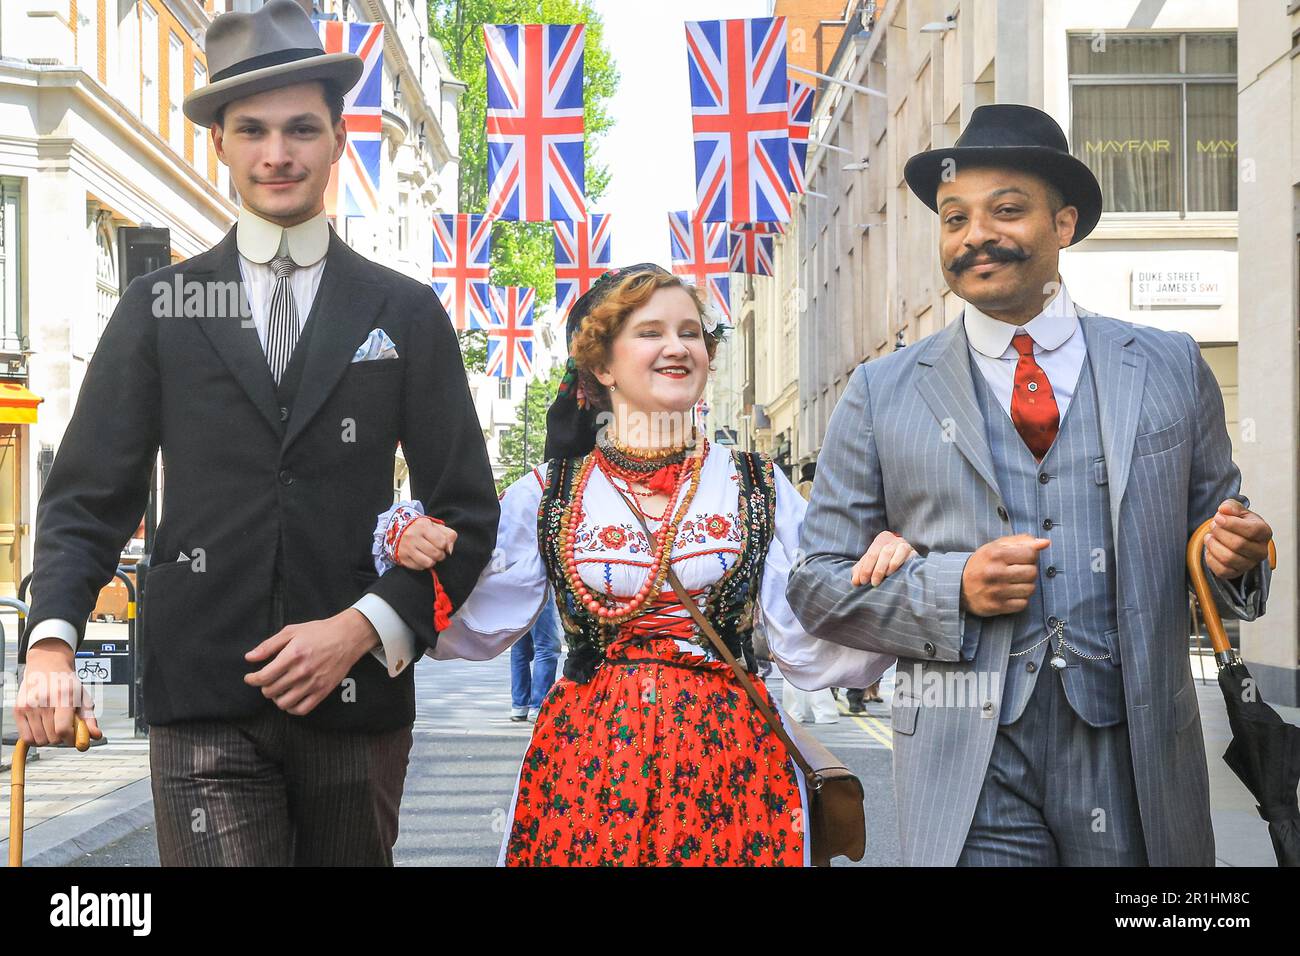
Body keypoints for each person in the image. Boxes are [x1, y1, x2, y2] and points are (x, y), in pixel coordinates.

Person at [12, 0, 499, 866]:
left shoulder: (405, 312)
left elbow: (467, 512)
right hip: (204, 699)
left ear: (339, 141)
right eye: (254, 130)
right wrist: (52, 640)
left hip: (358, 705)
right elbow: (88, 496)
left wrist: (362, 626)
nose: (278, 153)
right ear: (222, 144)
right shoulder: (160, 306)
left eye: (302, 129)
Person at [788, 103, 1274, 866]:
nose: (975, 235)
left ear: (1065, 223)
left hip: (1131, 745)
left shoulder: (1170, 365)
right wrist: (953, 588)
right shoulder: (882, 392)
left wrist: (1233, 555)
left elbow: (1216, 539)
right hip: (968, 756)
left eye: (1006, 210)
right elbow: (815, 584)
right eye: (954, 218)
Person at [379, 264, 907, 866]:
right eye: (651, 332)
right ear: (602, 366)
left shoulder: (757, 484)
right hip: (587, 768)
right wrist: (411, 545)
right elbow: (469, 624)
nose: (678, 347)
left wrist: (886, 574)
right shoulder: (550, 493)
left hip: (735, 764)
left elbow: (814, 635)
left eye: (691, 332)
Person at [510, 597, 561, 721]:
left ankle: (520, 704)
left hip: (511, 588)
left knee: (520, 646)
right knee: (547, 647)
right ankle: (539, 707)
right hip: (534, 585)